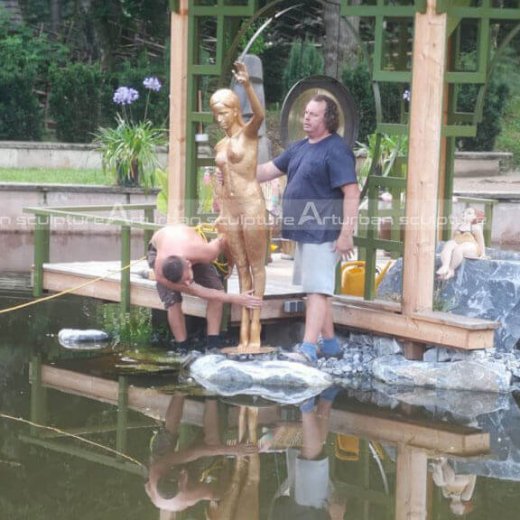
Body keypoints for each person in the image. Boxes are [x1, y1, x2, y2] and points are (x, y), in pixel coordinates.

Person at [256, 94, 360, 364]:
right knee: (315, 289)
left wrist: (346, 234)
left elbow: (351, 192)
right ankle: (332, 346)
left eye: (314, 114)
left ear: (328, 119)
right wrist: (233, 170)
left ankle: (308, 349)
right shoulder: (300, 147)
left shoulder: (336, 150)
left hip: (325, 231)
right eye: (306, 113)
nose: (306, 117)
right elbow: (267, 170)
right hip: (304, 231)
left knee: (317, 290)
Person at [210, 61, 267, 350]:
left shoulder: (249, 134)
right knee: (241, 268)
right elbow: (220, 181)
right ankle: (241, 328)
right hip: (231, 209)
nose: (219, 119)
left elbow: (260, 114)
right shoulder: (220, 146)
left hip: (251, 205)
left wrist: (245, 85)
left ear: (234, 110)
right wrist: (217, 194)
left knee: (256, 267)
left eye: (223, 112)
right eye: (215, 114)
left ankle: (255, 326)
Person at [148, 224, 262, 349]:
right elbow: (198, 291)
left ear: (189, 263)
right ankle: (182, 347)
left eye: (186, 279)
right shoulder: (160, 272)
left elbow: (224, 238)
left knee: (217, 290)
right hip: (158, 246)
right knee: (172, 301)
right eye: (182, 281)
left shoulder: (207, 253)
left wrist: (231, 263)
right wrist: (237, 298)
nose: (187, 284)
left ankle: (213, 345)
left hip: (188, 246)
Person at [436, 207, 485, 280]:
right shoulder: (457, 225)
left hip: (471, 246)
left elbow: (481, 242)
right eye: (464, 212)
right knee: (449, 244)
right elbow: (452, 238)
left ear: (474, 217)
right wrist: (450, 247)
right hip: (457, 243)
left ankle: (451, 269)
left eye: (469, 213)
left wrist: (483, 254)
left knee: (459, 249)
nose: (465, 214)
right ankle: (445, 266)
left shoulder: (475, 227)